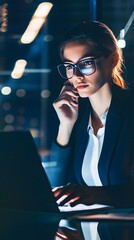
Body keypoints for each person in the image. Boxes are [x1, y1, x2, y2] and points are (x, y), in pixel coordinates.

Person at [50, 20, 134, 208]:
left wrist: (97, 195)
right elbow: (59, 186)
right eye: (70, 66)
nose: (77, 75)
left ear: (112, 60)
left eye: (86, 64)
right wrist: (65, 126)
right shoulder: (79, 120)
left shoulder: (130, 112)